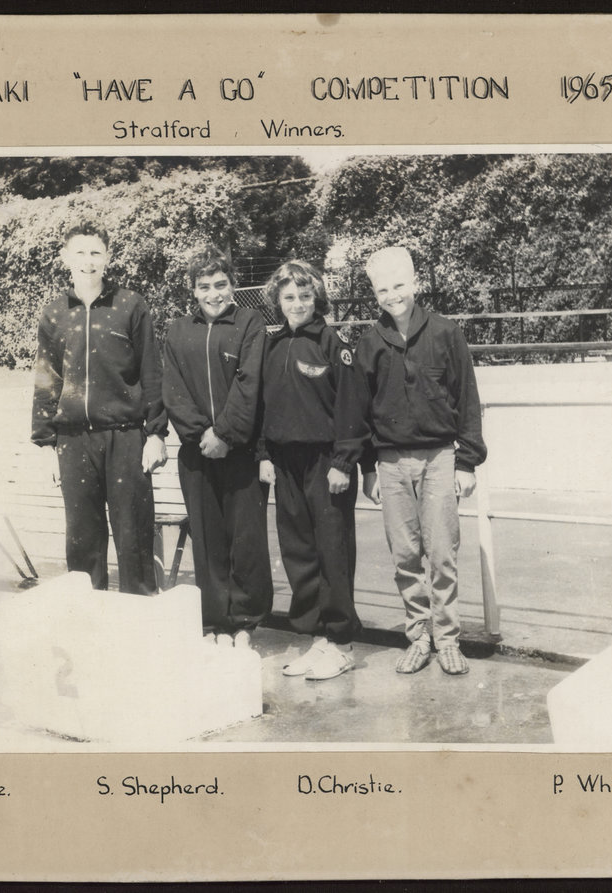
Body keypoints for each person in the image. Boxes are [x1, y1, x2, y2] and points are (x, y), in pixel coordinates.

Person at [356, 246, 487, 675]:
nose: (392, 295)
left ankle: (448, 639)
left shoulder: (447, 333)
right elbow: (360, 410)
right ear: (374, 294)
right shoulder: (370, 342)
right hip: (390, 464)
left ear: (414, 284)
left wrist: (466, 463)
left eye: (399, 285)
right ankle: (419, 635)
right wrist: (368, 469)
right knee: (405, 556)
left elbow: (467, 400)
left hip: (439, 459)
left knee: (442, 553)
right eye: (383, 289)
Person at [31, 220, 168, 594]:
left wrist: (156, 433)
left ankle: (138, 617)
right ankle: (87, 623)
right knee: (83, 537)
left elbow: (152, 372)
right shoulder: (55, 313)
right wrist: (45, 444)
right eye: (79, 252)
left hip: (125, 437)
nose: (88, 261)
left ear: (108, 257)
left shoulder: (130, 305)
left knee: (133, 534)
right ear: (65, 257)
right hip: (73, 441)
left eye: (95, 252)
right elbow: (46, 380)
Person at [162, 245, 273, 647]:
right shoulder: (178, 330)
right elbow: (172, 390)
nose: (214, 294)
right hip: (197, 454)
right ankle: (215, 623)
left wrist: (224, 434)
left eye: (221, 284)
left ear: (233, 284)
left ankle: (244, 622)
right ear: (193, 290)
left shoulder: (249, 323)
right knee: (207, 541)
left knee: (246, 541)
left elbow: (250, 384)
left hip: (240, 450)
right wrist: (201, 436)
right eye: (204, 286)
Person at [258, 261, 364, 680]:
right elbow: (264, 407)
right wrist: (265, 455)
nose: (297, 304)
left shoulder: (332, 342)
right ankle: (316, 640)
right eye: (288, 297)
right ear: (277, 302)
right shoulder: (272, 346)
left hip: (326, 463)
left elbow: (351, 408)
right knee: (299, 553)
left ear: (315, 297)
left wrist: (343, 462)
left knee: (332, 551)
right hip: (285, 463)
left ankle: (341, 643)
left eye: (304, 296)